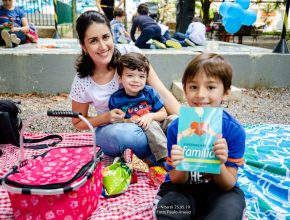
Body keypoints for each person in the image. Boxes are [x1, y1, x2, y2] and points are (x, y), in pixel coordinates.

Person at [69, 10, 180, 160]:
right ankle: (164, 150)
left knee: (176, 124)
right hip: (117, 130)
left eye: (106, 37)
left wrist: (187, 121)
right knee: (127, 137)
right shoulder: (82, 80)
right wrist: (105, 118)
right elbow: (78, 121)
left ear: (112, 36)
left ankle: (157, 151)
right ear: (84, 46)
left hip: (150, 122)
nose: (103, 46)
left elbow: (161, 91)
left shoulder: (130, 53)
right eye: (93, 41)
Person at [154, 53, 246, 219]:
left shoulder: (234, 131)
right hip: (182, 190)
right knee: (170, 212)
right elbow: (175, 179)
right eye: (193, 87)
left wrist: (219, 163)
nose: (200, 95)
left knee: (228, 211)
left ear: (225, 92)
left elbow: (228, 184)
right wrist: (180, 164)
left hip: (219, 191)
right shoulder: (177, 128)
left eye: (210, 87)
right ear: (185, 89)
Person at [109, 52, 177, 164]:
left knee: (174, 118)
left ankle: (188, 150)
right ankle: (167, 160)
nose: (136, 80)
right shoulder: (116, 99)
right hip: (140, 133)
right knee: (151, 125)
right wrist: (127, 120)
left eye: (141, 76)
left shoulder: (149, 92)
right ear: (120, 78)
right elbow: (115, 122)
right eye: (130, 75)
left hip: (157, 124)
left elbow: (163, 113)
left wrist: (150, 116)